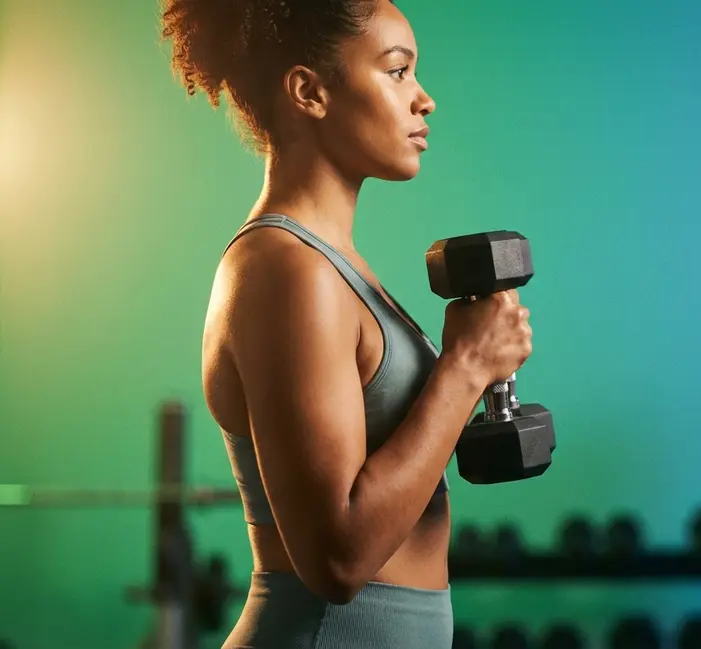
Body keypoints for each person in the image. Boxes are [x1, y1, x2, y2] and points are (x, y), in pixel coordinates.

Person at [160, 0, 534, 647]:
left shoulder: (329, 265)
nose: (425, 100)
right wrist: (467, 364)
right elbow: (337, 559)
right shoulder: (286, 269)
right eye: (397, 72)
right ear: (309, 91)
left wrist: (474, 367)